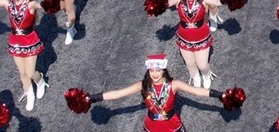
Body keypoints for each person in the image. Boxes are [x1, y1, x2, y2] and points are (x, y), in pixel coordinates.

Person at [75, 53, 232, 128]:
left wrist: (220, 95)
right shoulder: (142, 86)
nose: (155, 74)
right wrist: (91, 98)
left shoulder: (174, 84)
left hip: (172, 125)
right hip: (152, 126)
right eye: (152, 71)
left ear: (163, 70)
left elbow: (197, 92)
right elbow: (117, 94)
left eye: (158, 71)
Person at [158, 0, 224, 87]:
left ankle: (206, 74)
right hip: (184, 36)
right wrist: (156, 3)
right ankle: (195, 76)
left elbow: (217, 2)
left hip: (201, 35)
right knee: (190, 63)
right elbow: (166, 3)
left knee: (202, 65)